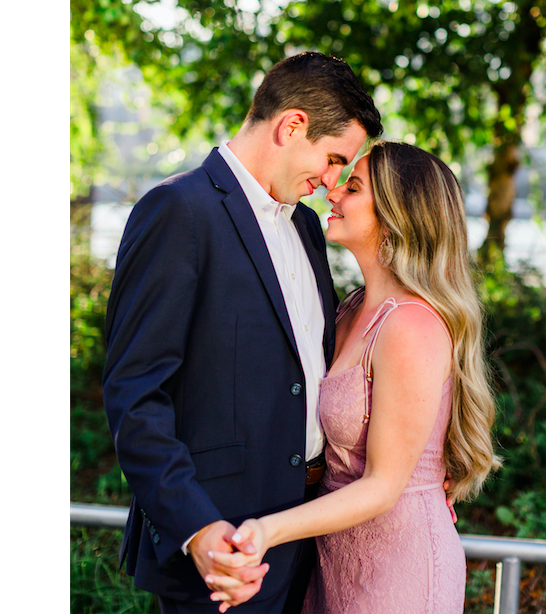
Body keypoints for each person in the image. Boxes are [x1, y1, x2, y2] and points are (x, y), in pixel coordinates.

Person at [101, 52, 384, 614]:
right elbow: (135, 394)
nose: (332, 182)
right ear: (292, 126)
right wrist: (197, 528)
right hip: (221, 546)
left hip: (309, 536)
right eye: (334, 159)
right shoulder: (178, 210)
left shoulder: (306, 226)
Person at [207, 141, 501, 614]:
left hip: (398, 568)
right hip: (333, 559)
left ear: (397, 213)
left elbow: (383, 486)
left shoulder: (410, 325)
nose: (333, 192)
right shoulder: (349, 308)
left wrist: (265, 529)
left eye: (354, 187)